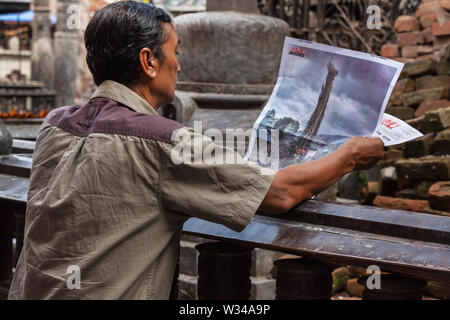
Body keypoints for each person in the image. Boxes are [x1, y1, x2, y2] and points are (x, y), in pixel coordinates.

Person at [8, 1, 384, 300]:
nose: (180, 63)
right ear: (149, 61)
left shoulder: (54, 124)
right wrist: (350, 154)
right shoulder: (161, 140)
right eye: (175, 52)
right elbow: (281, 192)